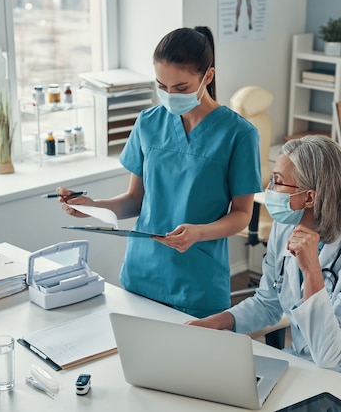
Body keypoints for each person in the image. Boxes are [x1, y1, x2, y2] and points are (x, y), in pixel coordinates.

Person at [57, 26, 261, 318]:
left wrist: (199, 232)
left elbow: (242, 214)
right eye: (161, 86)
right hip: (141, 274)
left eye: (181, 88)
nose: (169, 95)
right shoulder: (148, 123)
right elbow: (135, 200)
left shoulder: (238, 134)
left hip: (197, 281)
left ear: (208, 77)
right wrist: (93, 207)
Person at [188, 135, 341, 388]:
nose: (269, 189)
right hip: (307, 363)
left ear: (309, 198)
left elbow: (331, 355)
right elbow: (267, 304)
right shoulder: (283, 228)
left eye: (277, 182)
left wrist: (311, 269)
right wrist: (214, 322)